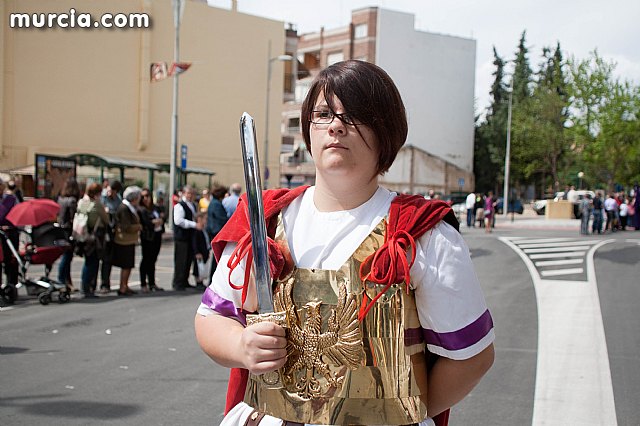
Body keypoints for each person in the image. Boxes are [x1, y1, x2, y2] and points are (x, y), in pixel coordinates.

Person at [194, 60, 494, 426]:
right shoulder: (265, 222)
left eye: (354, 116)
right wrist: (241, 346)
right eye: (323, 113)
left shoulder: (423, 235)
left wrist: (399, 412)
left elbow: (472, 356)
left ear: (386, 132)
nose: (336, 125)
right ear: (309, 130)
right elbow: (211, 319)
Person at [77, 183, 110, 298]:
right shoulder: (97, 205)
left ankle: (85, 286)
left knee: (88, 261)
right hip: (95, 237)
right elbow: (106, 220)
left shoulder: (82, 202)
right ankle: (87, 287)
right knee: (93, 262)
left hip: (83, 235)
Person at [112, 186, 142, 296]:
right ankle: (122, 287)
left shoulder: (130, 207)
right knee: (126, 265)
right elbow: (126, 226)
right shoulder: (124, 208)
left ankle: (125, 285)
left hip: (129, 240)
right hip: (124, 240)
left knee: (128, 265)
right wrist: (138, 227)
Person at [172, 185, 202, 291]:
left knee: (188, 260)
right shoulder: (179, 206)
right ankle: (178, 282)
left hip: (189, 237)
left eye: (192, 193)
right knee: (181, 260)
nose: (190, 195)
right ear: (184, 193)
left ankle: (184, 280)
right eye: (188, 193)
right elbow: (178, 221)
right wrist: (194, 225)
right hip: (181, 237)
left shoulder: (192, 205)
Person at [57, 177, 81, 292]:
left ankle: (67, 281)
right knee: (67, 256)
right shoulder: (72, 201)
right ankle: (62, 280)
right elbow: (74, 217)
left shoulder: (61, 199)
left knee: (66, 256)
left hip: (61, 229)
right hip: (68, 230)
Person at [138, 188, 165, 292]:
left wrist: (160, 220)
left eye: (147, 196)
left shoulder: (155, 208)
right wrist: (154, 222)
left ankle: (152, 283)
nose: (146, 199)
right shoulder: (141, 209)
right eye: (143, 196)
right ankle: (143, 283)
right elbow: (146, 223)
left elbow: (163, 216)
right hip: (147, 237)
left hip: (157, 235)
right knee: (146, 259)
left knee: (153, 259)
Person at [100, 180, 122, 293]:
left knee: (109, 259)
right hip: (102, 231)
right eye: (108, 189)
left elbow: (119, 212)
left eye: (112, 190)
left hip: (112, 231)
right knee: (103, 259)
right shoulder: (102, 198)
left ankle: (106, 283)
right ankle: (102, 283)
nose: (109, 192)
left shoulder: (118, 200)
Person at [0, 178, 19, 298]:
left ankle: (11, 285)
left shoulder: (11, 199)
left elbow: (18, 214)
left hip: (10, 233)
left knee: (11, 261)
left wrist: (11, 225)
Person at [206, 184, 229, 280]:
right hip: (217, 231)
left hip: (213, 231)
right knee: (217, 257)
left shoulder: (213, 203)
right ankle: (213, 278)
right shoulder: (217, 204)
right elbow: (222, 219)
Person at [193, 212, 211, 290]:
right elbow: (194, 243)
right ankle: (198, 282)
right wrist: (197, 252)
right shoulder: (197, 231)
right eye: (204, 219)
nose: (206, 221)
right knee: (198, 267)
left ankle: (201, 281)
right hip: (200, 251)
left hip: (205, 251)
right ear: (199, 220)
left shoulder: (204, 230)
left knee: (203, 267)